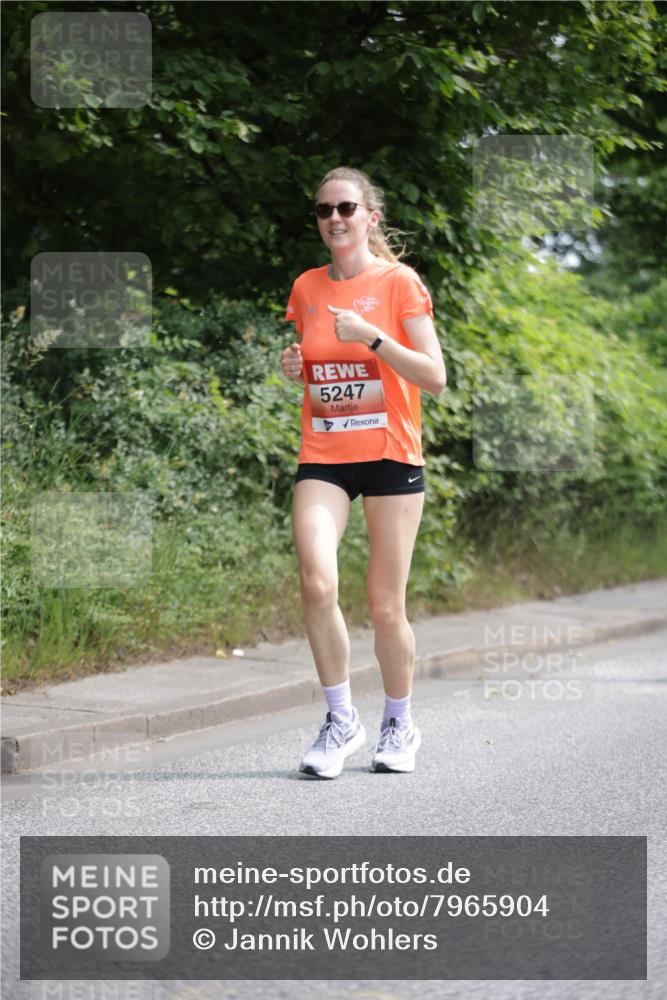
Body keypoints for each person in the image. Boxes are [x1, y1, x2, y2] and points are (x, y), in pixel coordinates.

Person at [281, 166, 446, 780]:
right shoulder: (305, 288)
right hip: (324, 455)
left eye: (346, 207)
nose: (334, 219)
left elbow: (434, 375)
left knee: (383, 605)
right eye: (323, 210)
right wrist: (293, 366)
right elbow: (315, 369)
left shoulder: (399, 283)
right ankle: (340, 718)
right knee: (318, 584)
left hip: (390, 458)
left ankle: (399, 721)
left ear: (370, 216)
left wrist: (374, 338)